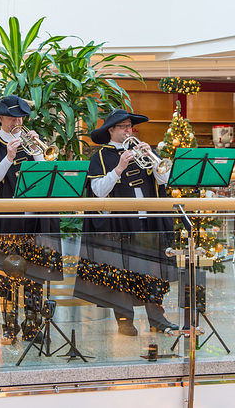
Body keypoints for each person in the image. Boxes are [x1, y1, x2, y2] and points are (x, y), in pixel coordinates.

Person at [74, 109, 178, 336]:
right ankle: (125, 321)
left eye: (130, 126)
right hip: (119, 224)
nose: (129, 131)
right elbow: (97, 191)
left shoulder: (142, 151)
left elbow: (164, 179)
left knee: (151, 272)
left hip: (147, 221)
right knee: (122, 272)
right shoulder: (101, 156)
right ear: (111, 130)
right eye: (123, 127)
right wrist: (119, 167)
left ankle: (157, 319)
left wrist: (154, 158)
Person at [0, 95, 61, 344]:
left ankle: (32, 326)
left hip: (33, 221)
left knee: (34, 278)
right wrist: (8, 158)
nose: (17, 122)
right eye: (12, 117)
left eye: (20, 117)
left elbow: (45, 176)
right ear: (1, 118)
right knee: (8, 278)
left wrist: (38, 151)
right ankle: (9, 326)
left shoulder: (30, 142)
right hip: (6, 221)